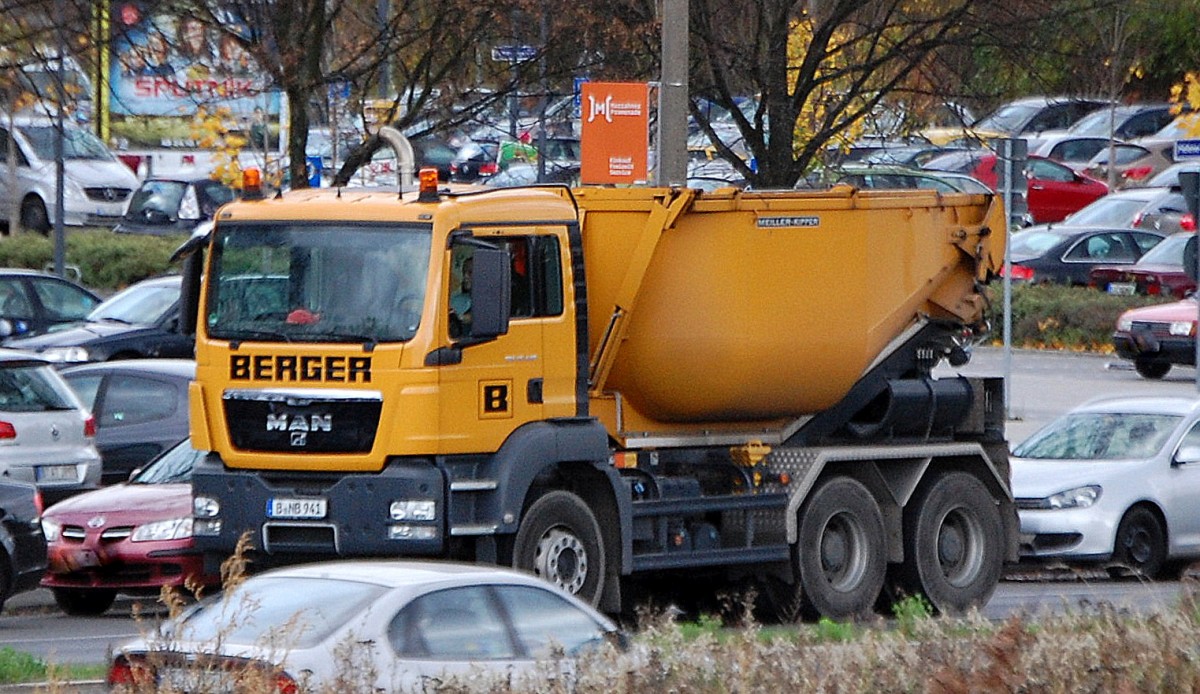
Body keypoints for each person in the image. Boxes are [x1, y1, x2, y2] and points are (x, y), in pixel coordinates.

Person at [449, 256, 472, 336]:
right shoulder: (456, 301)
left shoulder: (491, 303)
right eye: (464, 272)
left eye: (470, 272)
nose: (465, 277)